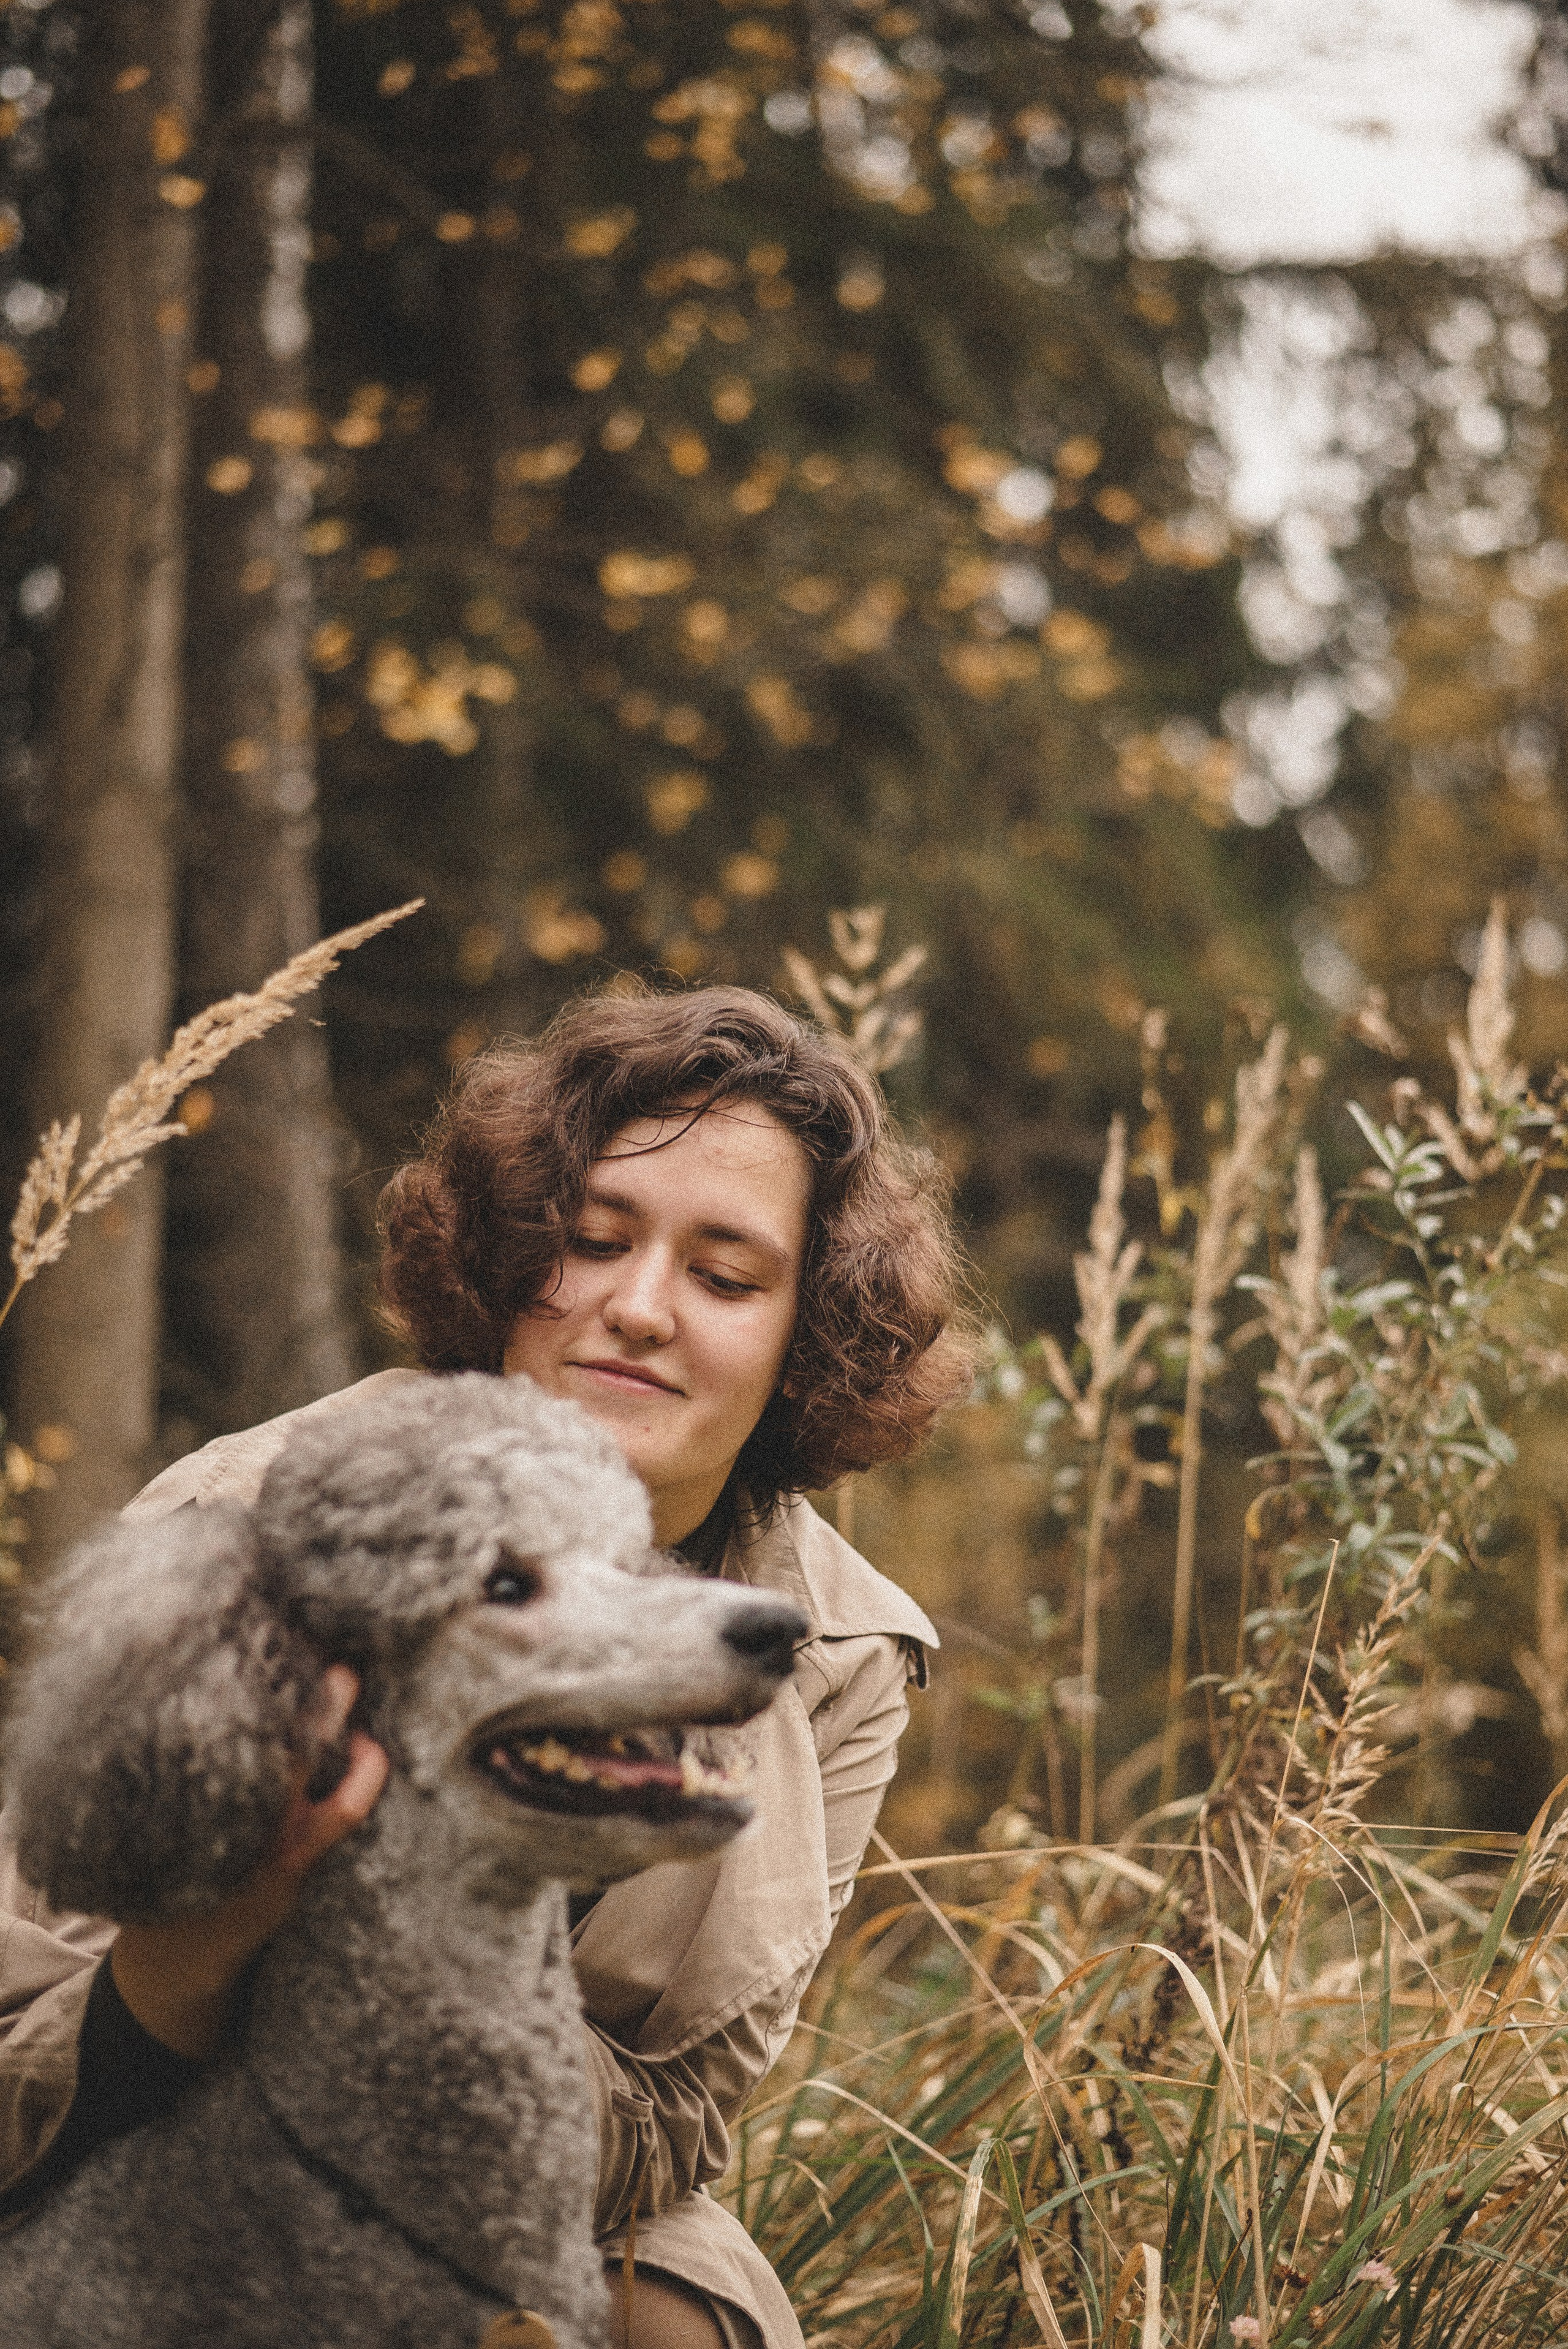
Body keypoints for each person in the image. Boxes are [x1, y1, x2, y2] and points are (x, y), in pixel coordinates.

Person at [0, 984, 976, 2348]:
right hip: (141, 2125)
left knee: (666, 2322)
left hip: (551, 2180)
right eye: (590, 1241)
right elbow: (22, 2049)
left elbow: (675, 2119)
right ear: (508, 1257)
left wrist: (447, 1957)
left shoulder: (840, 1649)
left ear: (802, 1336)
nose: (637, 1309)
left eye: (723, 1274)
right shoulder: (248, 1529)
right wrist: (209, 1949)